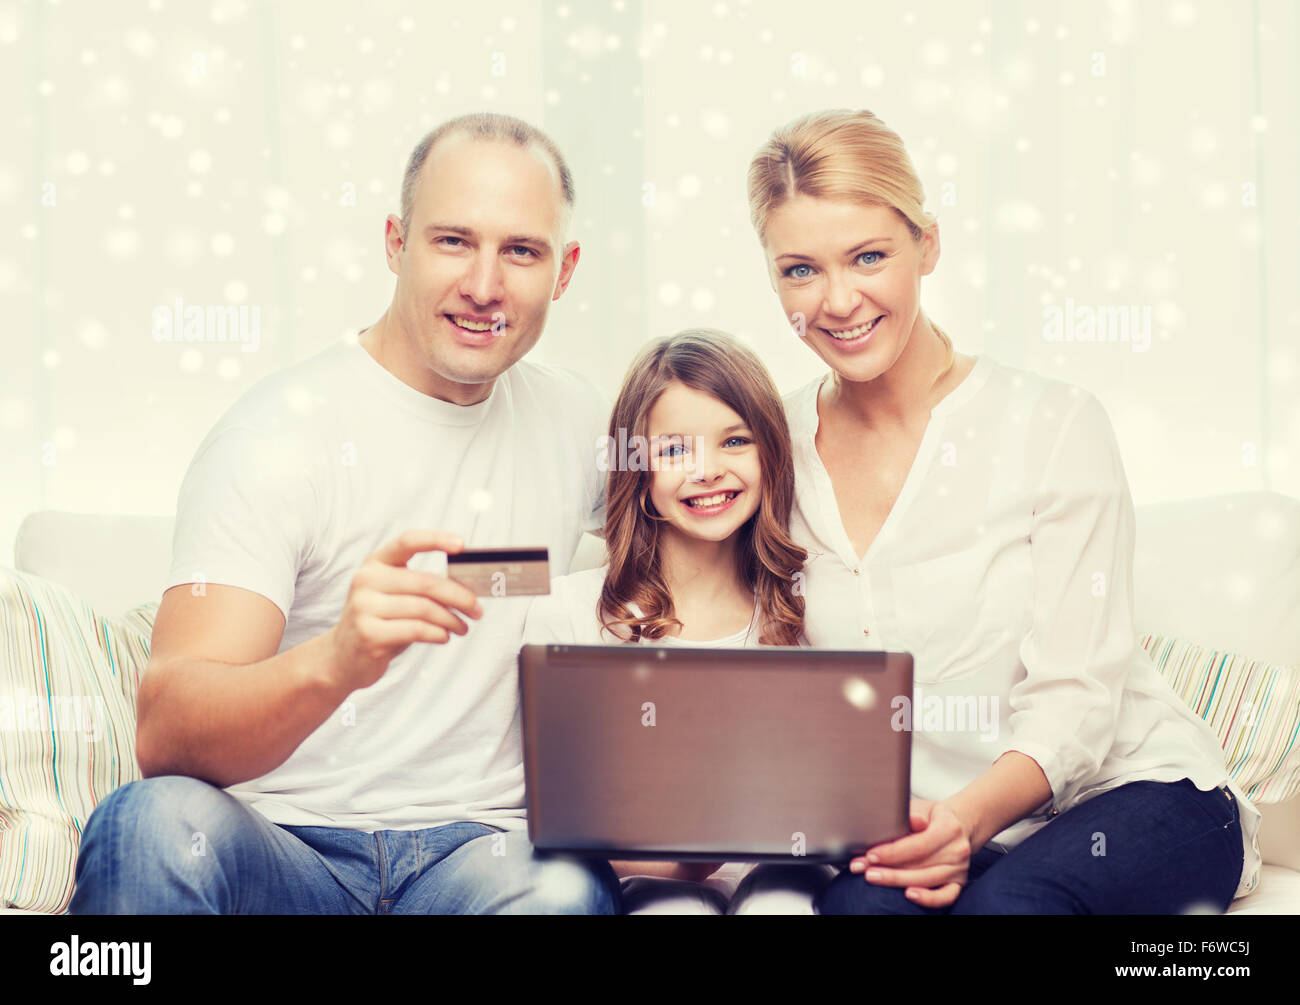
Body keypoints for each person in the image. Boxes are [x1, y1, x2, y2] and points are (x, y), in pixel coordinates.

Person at [69, 112, 621, 915]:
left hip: (484, 854)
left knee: (565, 890)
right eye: (452, 241)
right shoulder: (274, 437)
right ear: (395, 244)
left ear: (564, 270)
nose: (484, 285)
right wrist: (339, 659)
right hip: (286, 847)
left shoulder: (579, 423)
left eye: (522, 251)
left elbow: (727, 525)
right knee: (147, 822)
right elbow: (168, 729)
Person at [744, 108, 1262, 914]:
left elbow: (1079, 699)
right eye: (800, 270)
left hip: (1129, 794)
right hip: (928, 824)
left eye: (869, 256)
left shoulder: (1053, 425)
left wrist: (966, 820)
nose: (838, 300)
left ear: (929, 245)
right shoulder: (767, 446)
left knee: (1007, 912)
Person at [523, 329, 832, 914]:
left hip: (786, 874)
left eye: (734, 441)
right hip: (648, 886)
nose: (707, 470)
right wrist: (693, 854)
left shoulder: (805, 611)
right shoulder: (569, 616)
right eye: (674, 451)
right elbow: (564, 818)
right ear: (637, 474)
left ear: (770, 453)